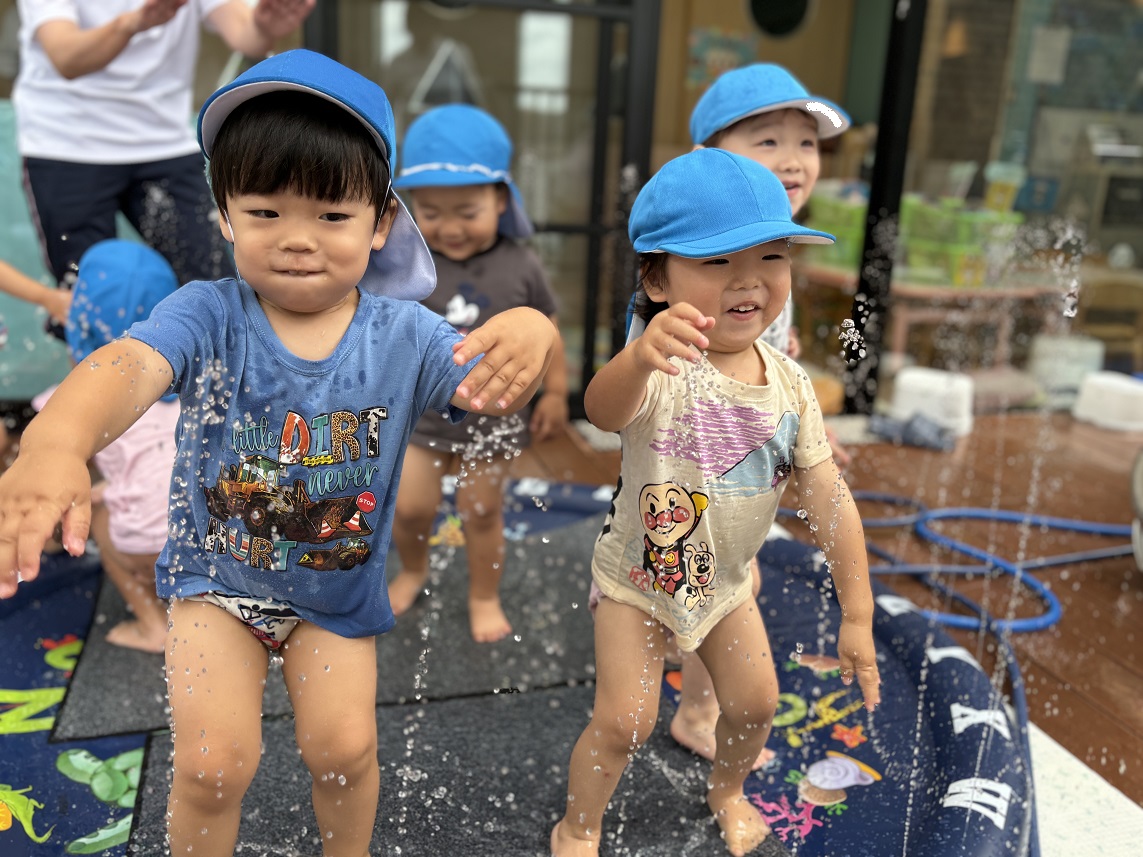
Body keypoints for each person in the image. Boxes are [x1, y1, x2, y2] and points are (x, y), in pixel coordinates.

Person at [0, 49, 558, 856]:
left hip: (335, 593)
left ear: (380, 222)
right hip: (216, 584)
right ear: (225, 215)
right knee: (211, 767)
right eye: (265, 211)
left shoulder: (404, 333)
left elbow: (486, 387)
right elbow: (128, 365)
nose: (297, 240)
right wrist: (57, 439)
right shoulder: (207, 313)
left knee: (345, 753)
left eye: (331, 216)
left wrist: (534, 332)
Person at [550, 148, 881, 857]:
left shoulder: (789, 385)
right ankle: (578, 825)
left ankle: (726, 791)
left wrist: (857, 612)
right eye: (717, 259)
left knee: (756, 704)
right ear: (656, 277)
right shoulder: (662, 365)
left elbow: (828, 496)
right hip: (636, 581)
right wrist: (637, 357)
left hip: (725, 585)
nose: (749, 279)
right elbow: (603, 411)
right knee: (624, 722)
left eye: (771, 256)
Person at [670, 61, 855, 770]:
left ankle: (671, 654)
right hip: (691, 465)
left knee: (706, 589)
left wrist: (801, 417)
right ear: (707, 157)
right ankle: (693, 709)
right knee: (715, 588)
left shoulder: (774, 243)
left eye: (806, 143)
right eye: (768, 140)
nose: (795, 159)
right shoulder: (691, 250)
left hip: (744, 466)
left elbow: (769, 353)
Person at [12, 0, 315, 336]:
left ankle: (215, 370)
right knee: (90, 302)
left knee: (214, 284)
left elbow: (245, 33)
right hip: (66, 144)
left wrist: (264, 27)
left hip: (163, 141)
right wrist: (132, 23)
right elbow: (66, 57)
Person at [387, 103, 569, 643]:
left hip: (493, 415)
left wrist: (556, 393)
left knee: (482, 510)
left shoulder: (522, 264)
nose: (449, 227)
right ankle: (412, 570)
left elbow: (550, 331)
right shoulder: (407, 262)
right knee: (411, 507)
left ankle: (484, 595)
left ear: (501, 200)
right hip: (422, 414)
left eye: (467, 211)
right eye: (430, 212)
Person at [24, 241, 179, 653]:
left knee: (95, 507)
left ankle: (152, 625)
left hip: (143, 549)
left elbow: (48, 470)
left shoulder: (68, 402)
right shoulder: (195, 379)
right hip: (214, 543)